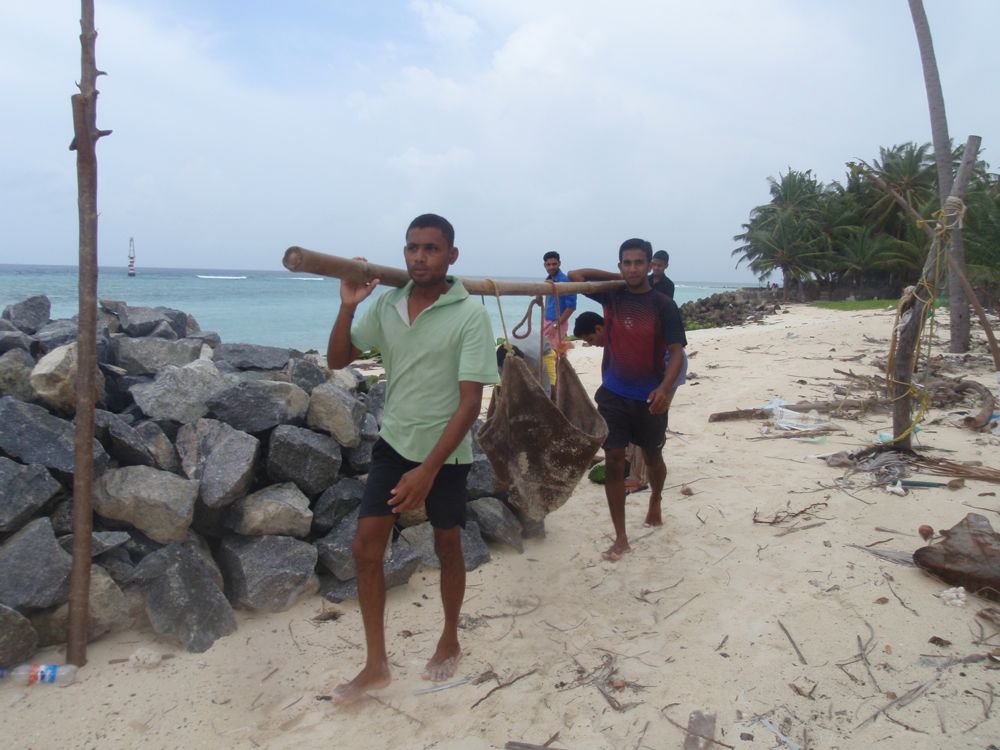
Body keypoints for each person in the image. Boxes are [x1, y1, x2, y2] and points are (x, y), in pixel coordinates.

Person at [326, 213, 499, 703]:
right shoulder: (388, 304)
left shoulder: (470, 315)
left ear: (451, 256)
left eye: (431, 248)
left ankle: (450, 636)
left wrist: (428, 470)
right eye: (412, 248)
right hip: (395, 443)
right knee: (365, 547)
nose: (419, 257)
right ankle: (375, 663)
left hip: (446, 453)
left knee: (448, 547)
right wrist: (346, 307)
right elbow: (338, 359)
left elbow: (471, 403)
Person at [568, 240, 687, 561]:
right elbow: (574, 275)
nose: (633, 268)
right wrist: (620, 279)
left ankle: (656, 499)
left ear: (651, 265)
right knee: (616, 458)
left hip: (649, 396)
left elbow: (676, 352)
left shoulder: (663, 305)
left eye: (638, 263)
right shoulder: (612, 294)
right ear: (620, 265)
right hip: (614, 394)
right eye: (626, 263)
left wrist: (664, 387)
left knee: (652, 458)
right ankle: (621, 537)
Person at [573, 311, 688, 495]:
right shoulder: (613, 336)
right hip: (646, 370)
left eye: (591, 338)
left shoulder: (624, 335)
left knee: (644, 422)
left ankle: (639, 477)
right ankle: (632, 460)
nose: (592, 344)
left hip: (669, 368)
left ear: (599, 328)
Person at [541, 250, 577, 351]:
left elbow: (571, 307)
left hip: (557, 324)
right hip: (547, 322)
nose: (551, 267)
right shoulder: (549, 280)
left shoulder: (565, 281)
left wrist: (555, 324)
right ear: (545, 265)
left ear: (559, 263)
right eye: (548, 264)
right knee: (545, 353)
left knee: (553, 355)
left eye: (554, 264)